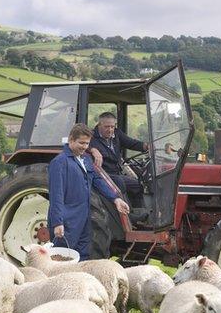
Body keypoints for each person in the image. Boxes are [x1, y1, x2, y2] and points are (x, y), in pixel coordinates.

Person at [48, 123, 130, 260]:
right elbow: (56, 196)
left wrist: (116, 199)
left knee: (83, 256)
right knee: (62, 258)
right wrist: (57, 223)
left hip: (85, 218)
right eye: (81, 143)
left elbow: (97, 181)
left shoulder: (86, 159)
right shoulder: (59, 163)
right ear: (71, 140)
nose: (84, 147)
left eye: (87, 143)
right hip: (68, 220)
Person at [89, 111, 149, 205]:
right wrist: (92, 149)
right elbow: (81, 145)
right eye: (106, 127)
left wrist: (148, 146)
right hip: (103, 174)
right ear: (99, 125)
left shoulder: (117, 134)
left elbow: (132, 143)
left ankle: (139, 212)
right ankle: (125, 213)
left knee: (137, 184)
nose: (110, 130)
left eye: (112, 126)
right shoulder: (91, 137)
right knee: (119, 182)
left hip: (117, 172)